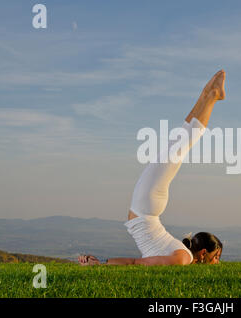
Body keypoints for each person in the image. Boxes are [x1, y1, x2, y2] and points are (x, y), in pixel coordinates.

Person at [78, 70, 226, 266]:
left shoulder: (182, 258)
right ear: (203, 253)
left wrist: (99, 263)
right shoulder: (182, 258)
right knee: (176, 148)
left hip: (146, 207)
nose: (218, 262)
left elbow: (136, 263)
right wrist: (100, 265)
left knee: (175, 146)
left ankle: (208, 95)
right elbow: (136, 263)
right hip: (147, 207)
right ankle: (210, 96)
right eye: (216, 257)